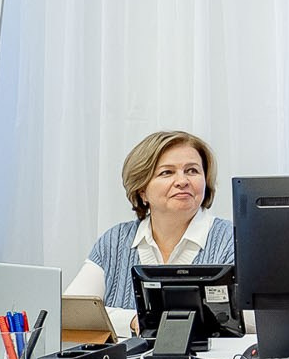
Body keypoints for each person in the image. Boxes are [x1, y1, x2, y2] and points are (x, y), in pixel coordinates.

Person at [66, 129, 235, 335]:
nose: (182, 181)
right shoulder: (115, 241)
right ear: (142, 190)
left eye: (192, 170)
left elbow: (254, 318)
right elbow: (73, 312)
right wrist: (133, 320)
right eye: (167, 172)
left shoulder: (232, 240)